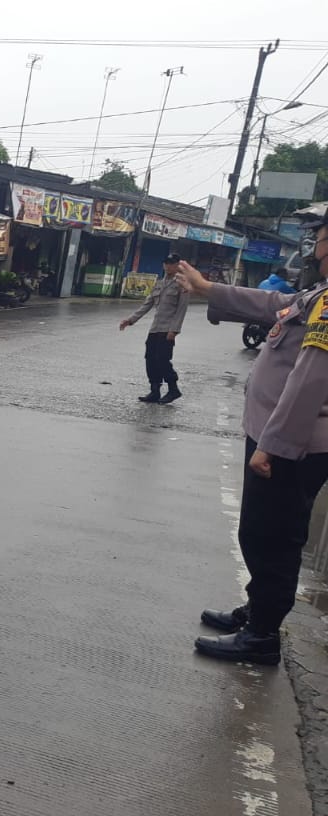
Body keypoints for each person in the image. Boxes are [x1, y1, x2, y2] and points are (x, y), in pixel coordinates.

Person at [173, 215, 328, 666]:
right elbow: (272, 304)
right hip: (281, 438)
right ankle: (258, 610)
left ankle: (262, 635)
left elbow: (310, 381)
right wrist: (208, 289)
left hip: (292, 444)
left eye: (319, 240)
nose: (315, 250)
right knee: (260, 531)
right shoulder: (318, 295)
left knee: (272, 536)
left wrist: (275, 444)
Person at [119, 253, 191, 404]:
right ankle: (154, 390)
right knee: (150, 359)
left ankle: (173, 389)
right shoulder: (159, 283)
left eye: (171, 263)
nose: (168, 266)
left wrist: (174, 330)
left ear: (177, 265)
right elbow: (147, 304)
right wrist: (130, 320)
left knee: (163, 359)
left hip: (168, 329)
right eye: (166, 263)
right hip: (155, 328)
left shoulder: (182, 284)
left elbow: (181, 309)